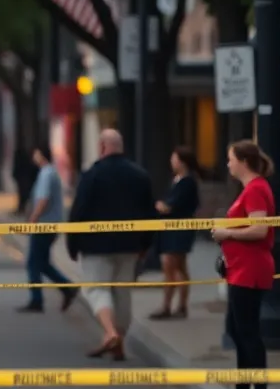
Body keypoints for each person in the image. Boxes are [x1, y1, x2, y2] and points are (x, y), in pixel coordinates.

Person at [66, 129, 156, 360]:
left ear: (103, 146)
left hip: (96, 246)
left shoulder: (93, 174)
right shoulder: (140, 175)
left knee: (98, 289)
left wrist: (72, 243)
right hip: (130, 246)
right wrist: (146, 244)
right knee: (122, 293)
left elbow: (79, 211)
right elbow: (150, 213)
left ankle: (109, 332)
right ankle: (119, 343)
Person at [210, 141, 277, 389]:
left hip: (250, 270)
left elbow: (260, 229)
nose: (228, 164)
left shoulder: (256, 190)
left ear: (243, 161)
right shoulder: (249, 190)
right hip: (239, 268)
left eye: (230, 159)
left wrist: (228, 234)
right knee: (237, 330)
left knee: (249, 333)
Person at [18, 145, 80, 314]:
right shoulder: (50, 172)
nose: (33, 156)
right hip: (50, 225)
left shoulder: (46, 174)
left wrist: (32, 220)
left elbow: (43, 200)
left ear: (41, 154)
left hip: (44, 225)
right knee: (42, 263)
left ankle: (36, 300)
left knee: (33, 263)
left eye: (36, 153)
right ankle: (67, 288)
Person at [150, 146, 201, 319]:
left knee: (170, 267)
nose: (172, 162)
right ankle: (180, 306)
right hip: (171, 229)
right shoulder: (176, 180)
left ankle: (168, 306)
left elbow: (169, 206)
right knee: (179, 267)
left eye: (174, 159)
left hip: (178, 230)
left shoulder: (187, 182)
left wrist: (159, 205)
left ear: (182, 162)